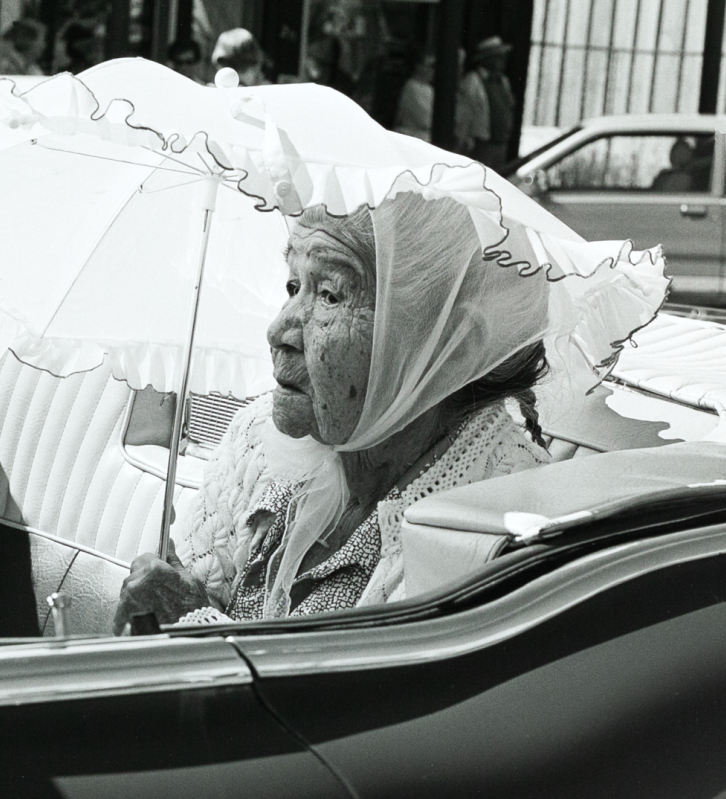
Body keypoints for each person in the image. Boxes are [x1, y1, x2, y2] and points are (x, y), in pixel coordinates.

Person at [113, 192, 560, 630]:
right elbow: (185, 597)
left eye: (328, 294)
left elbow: (370, 701)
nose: (279, 330)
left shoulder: (499, 529)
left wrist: (194, 626)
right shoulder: (258, 436)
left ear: (452, 346)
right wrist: (163, 606)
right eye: (293, 286)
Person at [460, 36, 516, 168]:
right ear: (486, 59)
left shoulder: (503, 81)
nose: (502, 60)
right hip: (481, 144)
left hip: (501, 143)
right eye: (497, 56)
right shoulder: (473, 80)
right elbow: (465, 114)